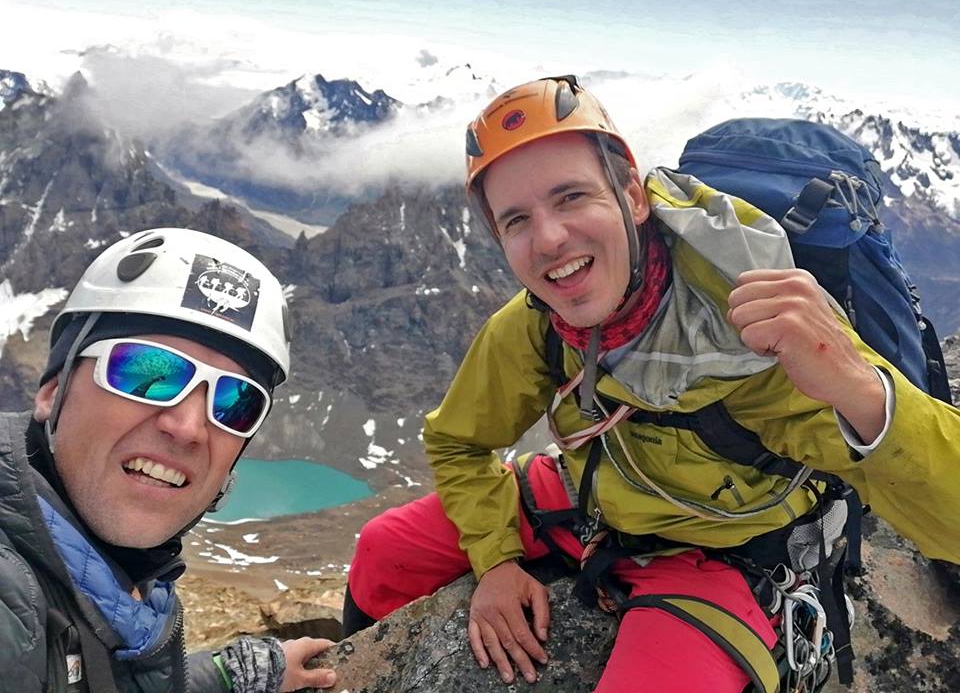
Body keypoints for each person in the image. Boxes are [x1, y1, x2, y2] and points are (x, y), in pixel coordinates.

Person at [344, 76, 960, 692]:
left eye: (571, 197)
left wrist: (859, 388)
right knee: (383, 552)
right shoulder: (537, 324)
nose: (551, 239)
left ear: (633, 197)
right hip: (594, 499)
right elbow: (459, 443)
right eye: (517, 221)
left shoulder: (752, 325)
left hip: (723, 548)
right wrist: (496, 559)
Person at [0, 228, 338, 692]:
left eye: (235, 401)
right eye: (148, 371)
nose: (188, 428)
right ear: (54, 390)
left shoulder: (114, 581)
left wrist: (230, 676)